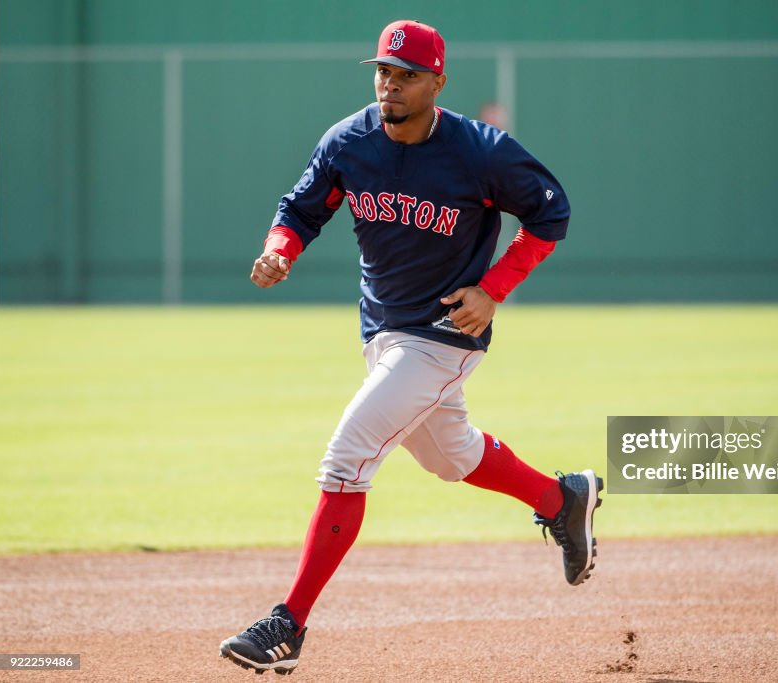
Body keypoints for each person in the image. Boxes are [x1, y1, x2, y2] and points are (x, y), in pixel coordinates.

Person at [218, 19, 603, 675]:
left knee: (347, 457)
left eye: (406, 75)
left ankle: (289, 623)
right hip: (384, 329)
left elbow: (551, 210)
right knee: (452, 456)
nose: (390, 85)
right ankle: (561, 499)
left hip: (448, 332)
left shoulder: (478, 151)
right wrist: (279, 251)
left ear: (436, 82)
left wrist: (494, 289)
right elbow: (302, 207)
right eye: (383, 72)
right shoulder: (350, 141)